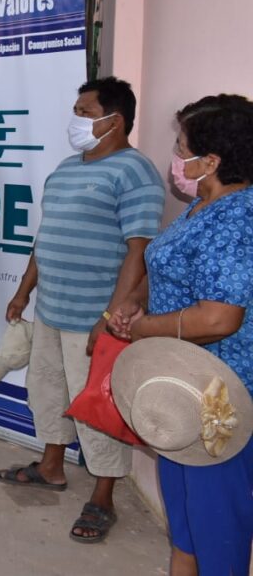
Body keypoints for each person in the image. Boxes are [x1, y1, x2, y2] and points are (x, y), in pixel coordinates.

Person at [0, 77, 165, 544]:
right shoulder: (66, 168)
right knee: (47, 390)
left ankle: (104, 494)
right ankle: (51, 466)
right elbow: (44, 237)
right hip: (51, 308)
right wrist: (24, 291)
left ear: (116, 120)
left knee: (97, 408)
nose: (76, 119)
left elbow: (139, 251)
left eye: (84, 112)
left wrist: (111, 318)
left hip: (95, 315)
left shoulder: (136, 172)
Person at [108, 94, 253, 574]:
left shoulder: (238, 220)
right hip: (183, 389)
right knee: (187, 524)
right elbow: (172, 268)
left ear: (210, 161)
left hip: (222, 403)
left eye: (182, 145)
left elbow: (218, 319)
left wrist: (145, 329)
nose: (176, 155)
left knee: (218, 532)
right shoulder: (202, 206)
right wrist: (137, 301)